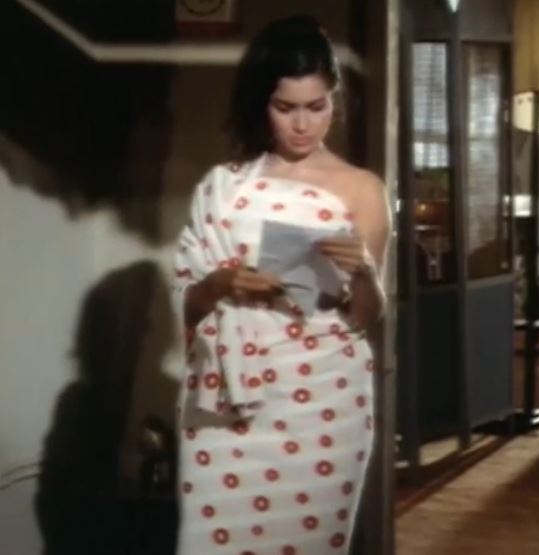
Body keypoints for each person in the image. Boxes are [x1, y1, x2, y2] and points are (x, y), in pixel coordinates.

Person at [172, 14, 391, 555]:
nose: (302, 125)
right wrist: (221, 283)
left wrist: (363, 271)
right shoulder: (223, 186)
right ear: (261, 103)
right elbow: (189, 301)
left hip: (323, 398)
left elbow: (367, 316)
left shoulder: (362, 190)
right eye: (285, 107)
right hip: (226, 393)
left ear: (334, 99)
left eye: (316, 106)